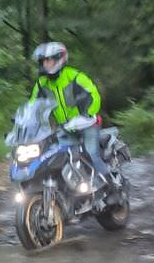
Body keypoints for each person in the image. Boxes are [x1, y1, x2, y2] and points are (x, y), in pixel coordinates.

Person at [29, 41, 112, 182]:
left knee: (91, 153)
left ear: (59, 59)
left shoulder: (74, 76)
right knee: (60, 158)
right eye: (43, 61)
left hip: (87, 124)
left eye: (48, 60)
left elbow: (94, 95)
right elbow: (33, 106)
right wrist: (25, 123)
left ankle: (110, 187)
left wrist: (87, 114)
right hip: (65, 128)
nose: (45, 64)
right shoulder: (41, 84)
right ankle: (74, 191)